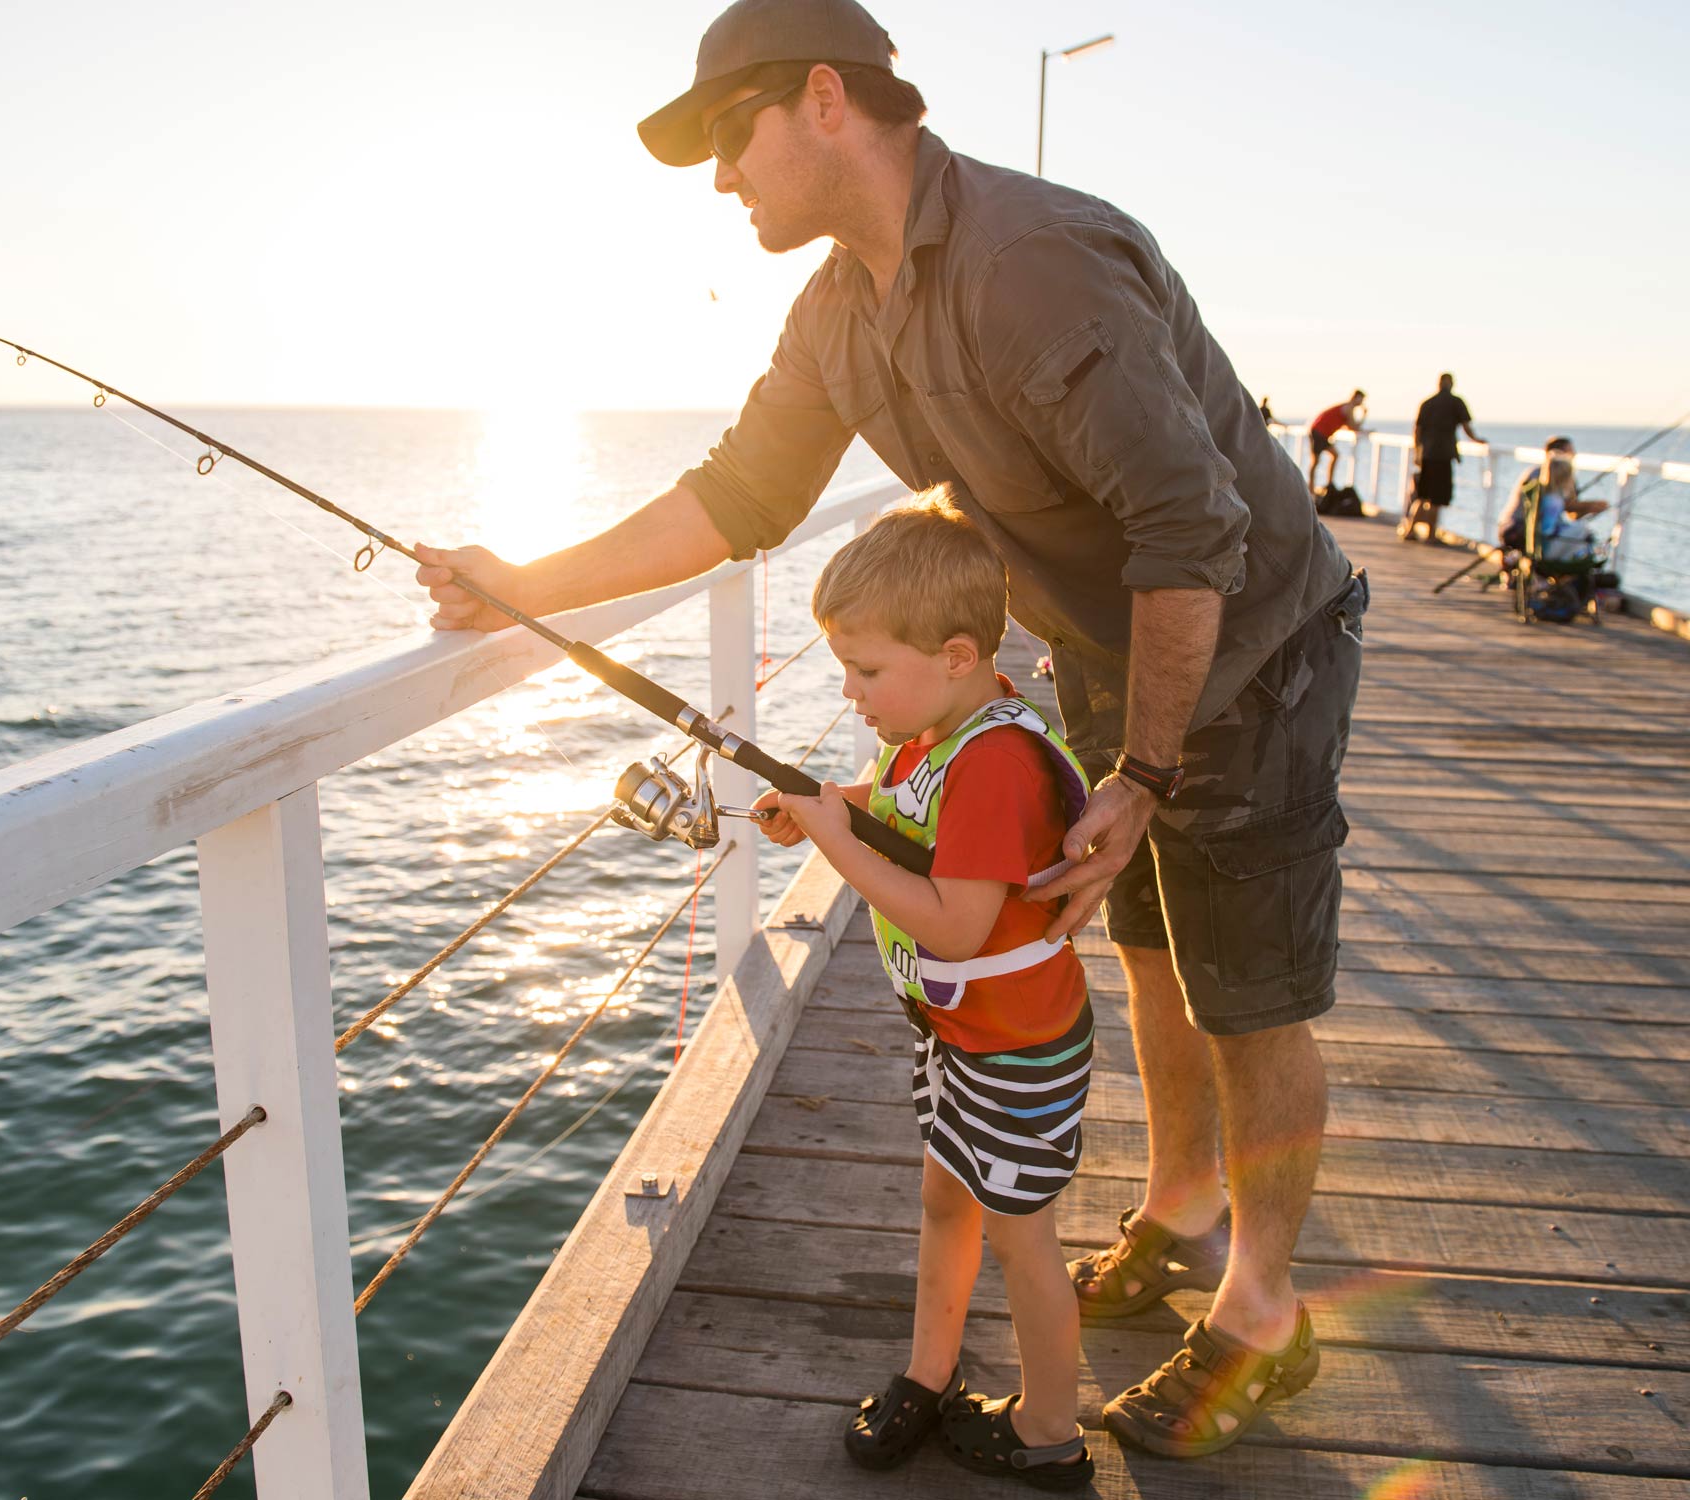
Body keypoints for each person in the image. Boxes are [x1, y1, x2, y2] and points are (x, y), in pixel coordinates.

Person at [417, 0, 1364, 1458]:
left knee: (1251, 981)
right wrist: (522, 582)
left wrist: (1143, 770)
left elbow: (1195, 526)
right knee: (1151, 941)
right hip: (1104, 634)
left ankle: (1261, 1313)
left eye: (728, 140)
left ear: (821, 102)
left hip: (1250, 635)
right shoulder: (835, 314)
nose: (721, 181)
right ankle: (1181, 1207)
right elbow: (740, 496)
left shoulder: (1032, 263)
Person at [753, 494, 1095, 1482]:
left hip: (1016, 1050)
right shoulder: (933, 731)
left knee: (1023, 1244)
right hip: (960, 1036)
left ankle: (1049, 1434)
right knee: (947, 1203)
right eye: (842, 671)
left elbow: (953, 922)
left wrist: (829, 845)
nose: (851, 693)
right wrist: (832, 804)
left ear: (953, 656)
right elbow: (903, 803)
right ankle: (927, 1373)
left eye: (865, 672)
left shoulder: (993, 763)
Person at [1404, 374, 1482, 543]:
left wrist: (1417, 452)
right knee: (1437, 498)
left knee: (1422, 495)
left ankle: (1410, 530)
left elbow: (1417, 430)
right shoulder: (1456, 402)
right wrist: (1477, 440)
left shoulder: (1427, 403)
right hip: (1443, 455)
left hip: (1427, 454)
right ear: (1451, 384)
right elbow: (1466, 427)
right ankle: (1431, 535)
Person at [1497, 436, 1607, 556]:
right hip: (1518, 530)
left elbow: (1570, 510)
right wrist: (1592, 506)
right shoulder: (1539, 475)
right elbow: (1565, 506)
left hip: (1527, 532)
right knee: (1582, 531)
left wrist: (1588, 508)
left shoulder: (1544, 474)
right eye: (1570, 452)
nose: (1574, 455)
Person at [1306, 390, 1365, 491]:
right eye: (1361, 399)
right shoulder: (1349, 408)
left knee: (1334, 455)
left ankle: (1327, 484)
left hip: (1321, 432)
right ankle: (1311, 487)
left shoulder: (1347, 407)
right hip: (1319, 432)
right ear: (1355, 397)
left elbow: (1349, 426)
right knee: (1316, 461)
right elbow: (1353, 427)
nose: (1362, 402)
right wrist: (1364, 415)